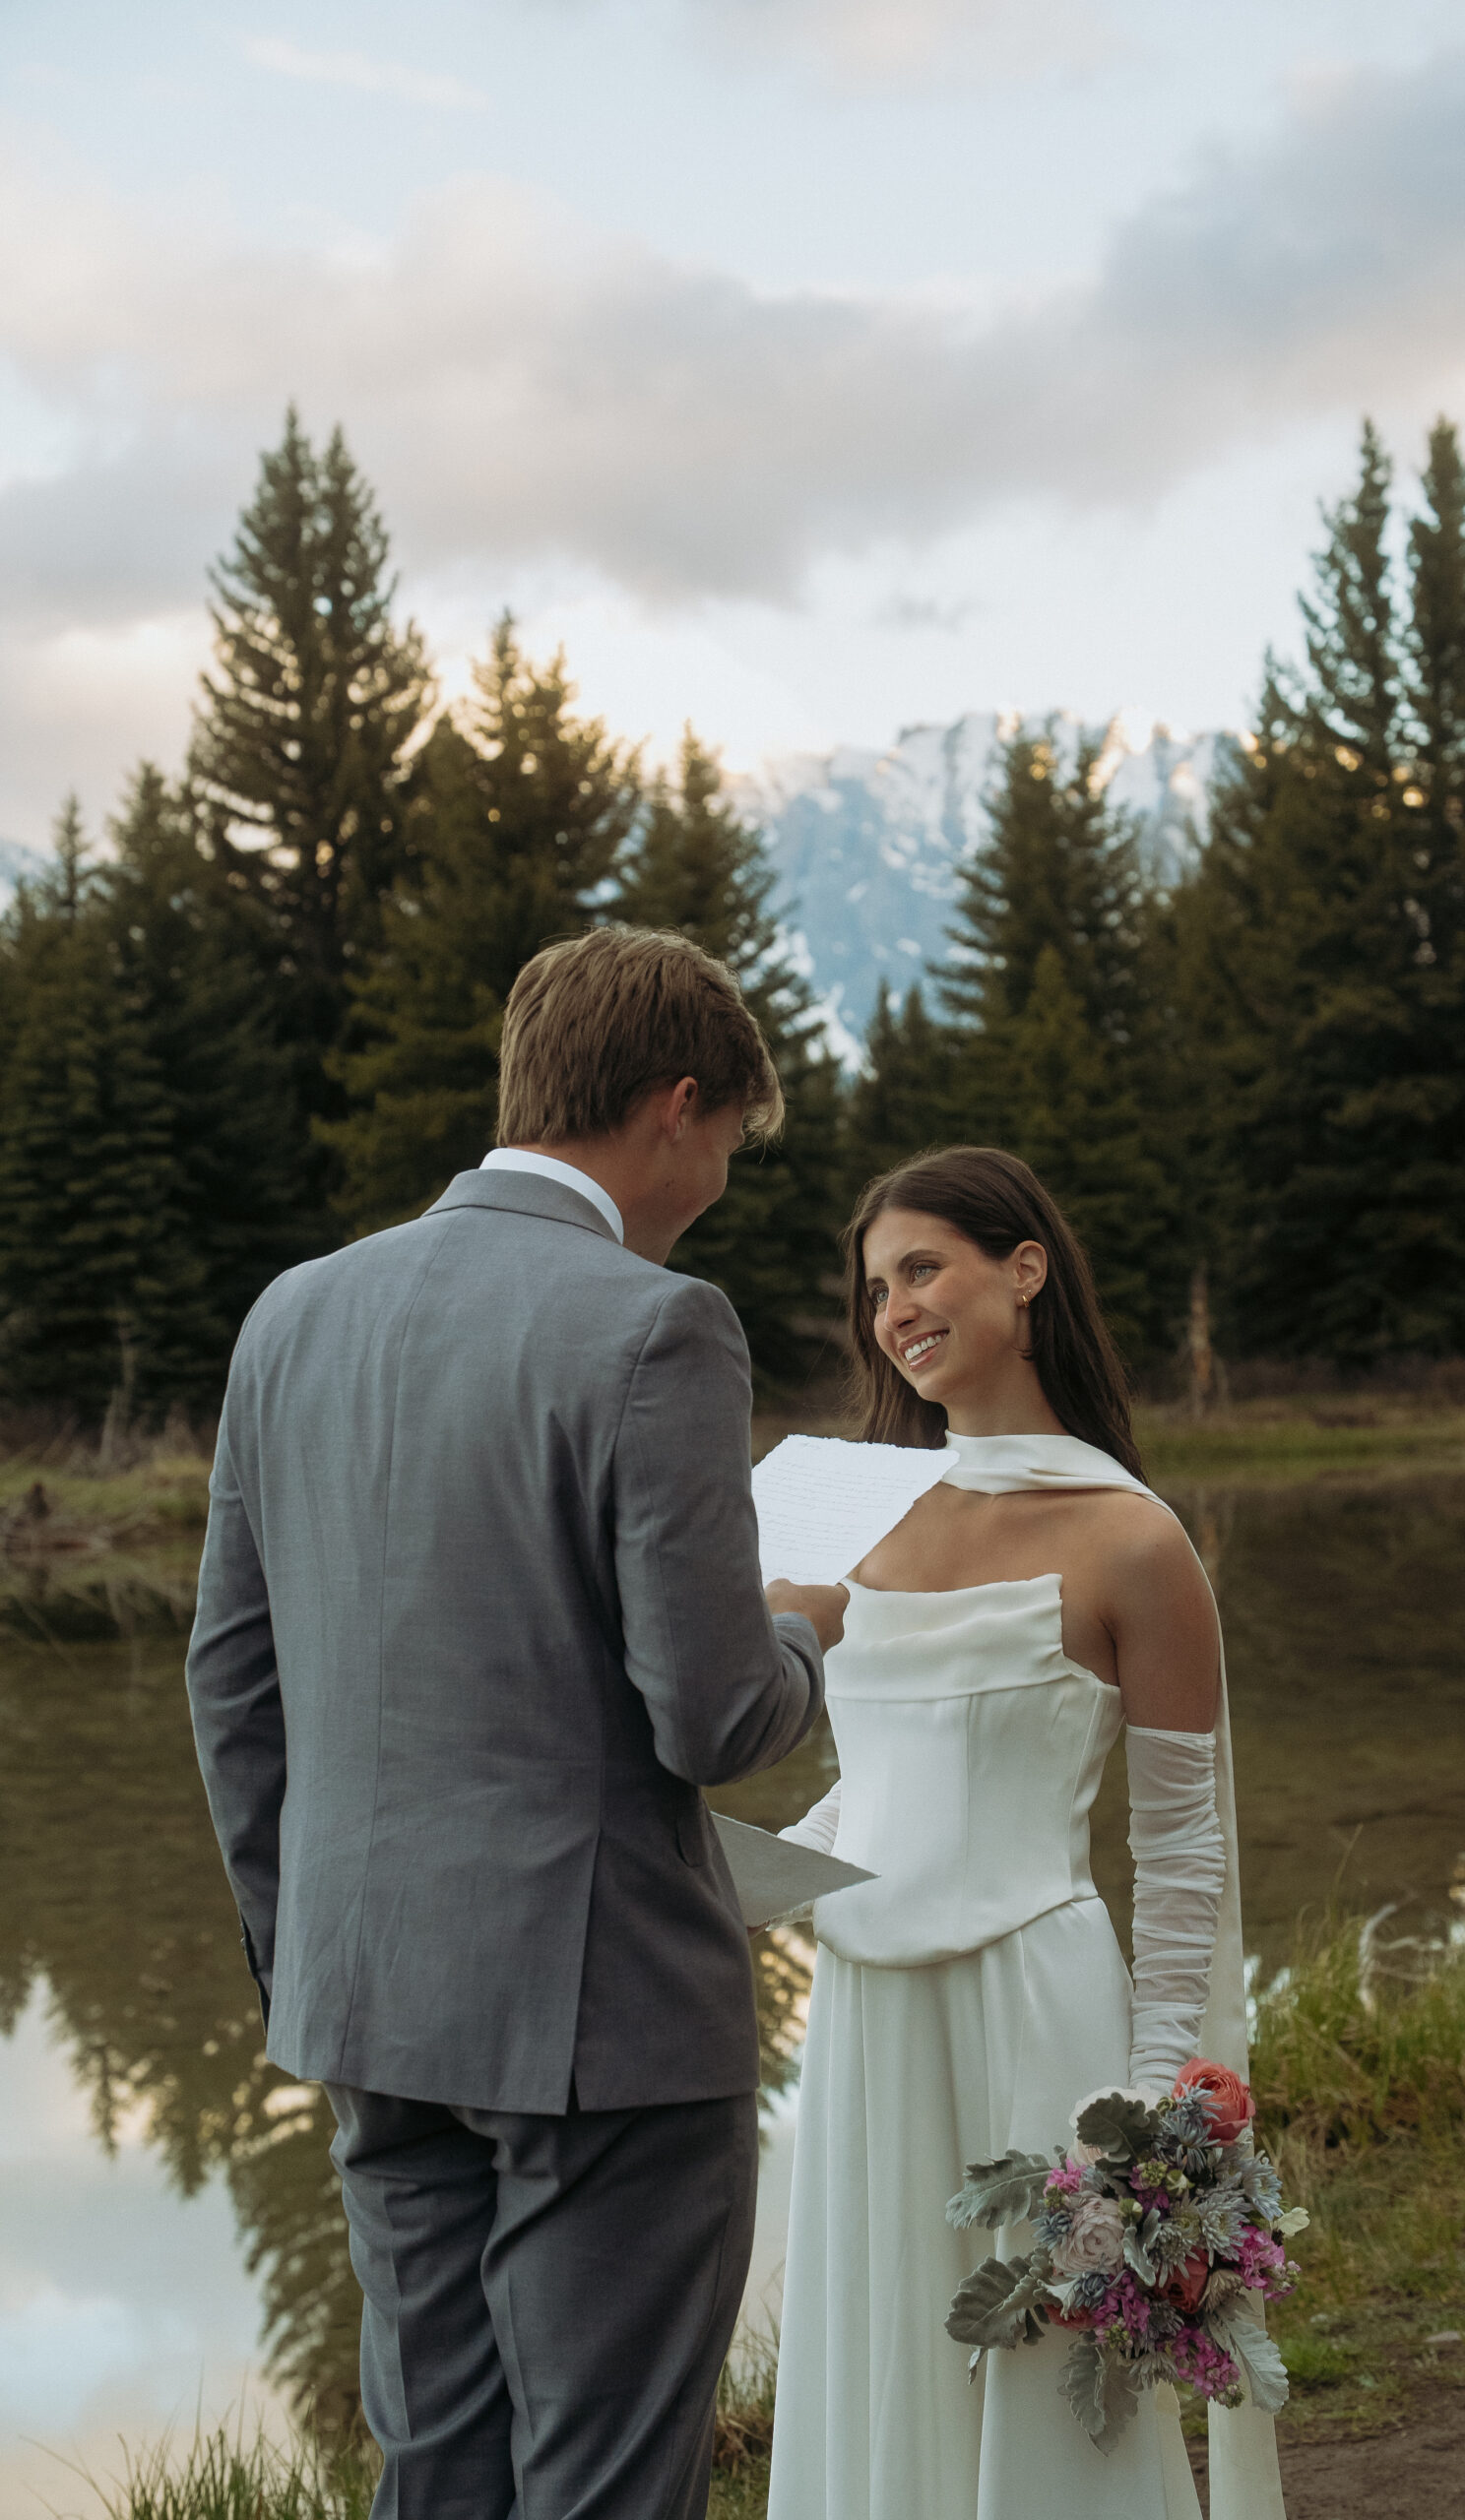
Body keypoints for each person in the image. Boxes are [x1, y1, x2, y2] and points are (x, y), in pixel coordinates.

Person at [186, 925, 847, 2520]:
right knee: (607, 2481)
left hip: (367, 2003)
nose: (721, 1185)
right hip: (601, 2019)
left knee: (443, 2472)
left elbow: (232, 1679)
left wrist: (308, 1956)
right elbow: (713, 1717)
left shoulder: (294, 1313)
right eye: (733, 1147)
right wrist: (807, 1633)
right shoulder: (655, 1326)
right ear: (676, 1106)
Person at [767, 1146, 1286, 2520]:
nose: (895, 1311)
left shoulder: (1135, 1541)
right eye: (877, 1288)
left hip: (1037, 2018)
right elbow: (766, 1730)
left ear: (1026, 1270)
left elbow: (1181, 1861)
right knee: (883, 2367)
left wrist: (1159, 2120)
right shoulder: (832, 1504)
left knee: (1058, 2388)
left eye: (921, 1268)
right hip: (868, 2017)